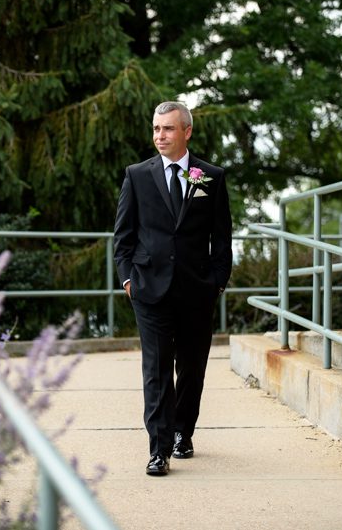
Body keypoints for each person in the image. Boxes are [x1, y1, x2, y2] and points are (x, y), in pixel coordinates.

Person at [113, 101, 232, 476]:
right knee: (157, 368)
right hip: (150, 290)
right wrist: (128, 279)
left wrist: (216, 282)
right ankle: (159, 448)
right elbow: (124, 236)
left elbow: (222, 238)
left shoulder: (210, 176)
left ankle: (184, 431)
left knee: (192, 368)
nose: (159, 136)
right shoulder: (137, 175)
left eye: (167, 129)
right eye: (155, 128)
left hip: (198, 290)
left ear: (186, 132)